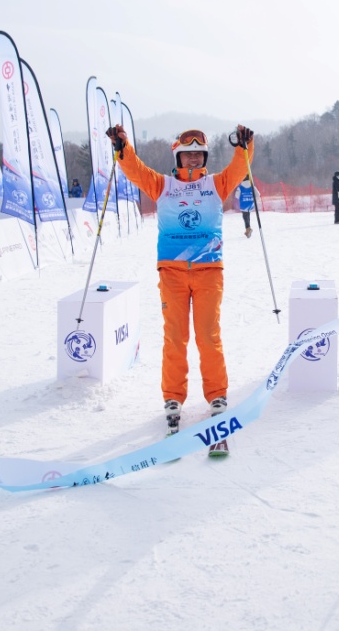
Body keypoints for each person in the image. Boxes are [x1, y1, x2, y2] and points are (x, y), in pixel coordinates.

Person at [105, 124, 253, 438]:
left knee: (208, 336)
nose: (193, 159)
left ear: (205, 157)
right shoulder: (164, 185)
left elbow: (240, 169)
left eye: (198, 154)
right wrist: (122, 149)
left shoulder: (216, 184)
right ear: (178, 157)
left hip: (208, 270)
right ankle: (173, 397)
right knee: (175, 337)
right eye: (188, 155)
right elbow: (137, 171)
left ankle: (216, 394)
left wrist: (244, 146)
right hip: (171, 273)